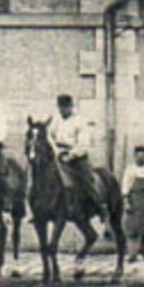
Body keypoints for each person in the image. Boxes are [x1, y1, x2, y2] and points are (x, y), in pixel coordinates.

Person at [47, 93, 105, 223]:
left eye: (66, 107)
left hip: (76, 156)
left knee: (87, 178)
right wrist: (56, 151)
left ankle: (100, 205)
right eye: (61, 107)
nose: (63, 110)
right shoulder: (55, 120)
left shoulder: (80, 121)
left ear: (71, 106)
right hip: (58, 154)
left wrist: (71, 155)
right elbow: (49, 136)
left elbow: (83, 144)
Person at [120, 146, 144, 261]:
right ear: (135, 157)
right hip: (134, 200)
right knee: (133, 228)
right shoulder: (130, 170)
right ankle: (132, 253)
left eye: (143, 156)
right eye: (138, 156)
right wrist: (126, 202)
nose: (141, 158)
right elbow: (125, 187)